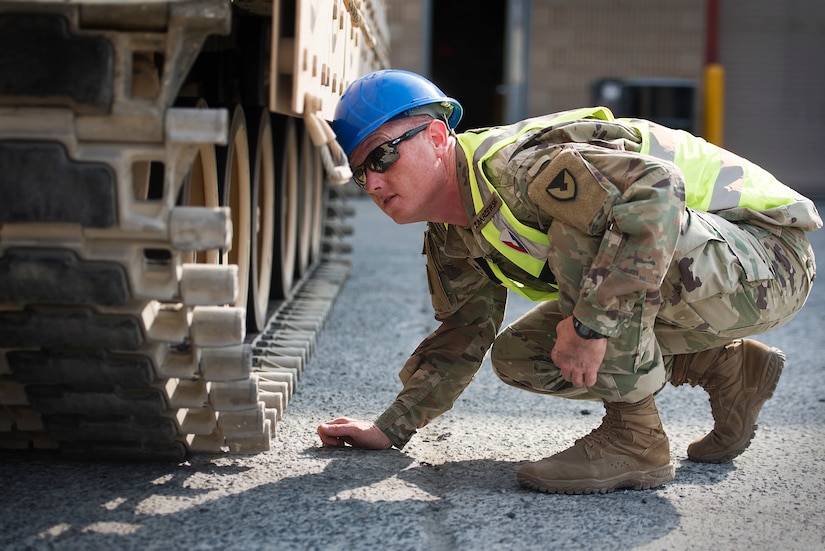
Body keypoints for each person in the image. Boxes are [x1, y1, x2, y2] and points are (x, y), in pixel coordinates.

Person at [317, 69, 821, 494]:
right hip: (713, 275)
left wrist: (590, 327)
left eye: (383, 157)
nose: (375, 182)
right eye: (362, 173)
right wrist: (390, 428)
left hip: (769, 256)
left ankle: (635, 440)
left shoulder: (516, 168)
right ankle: (727, 368)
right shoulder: (452, 232)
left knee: (584, 229)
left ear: (434, 137)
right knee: (521, 355)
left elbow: (654, 192)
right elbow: (462, 334)